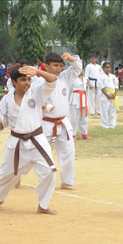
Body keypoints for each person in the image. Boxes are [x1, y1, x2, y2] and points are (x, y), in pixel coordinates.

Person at [0, 65, 58, 214]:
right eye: (22, 80)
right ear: (13, 82)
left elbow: (52, 81)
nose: (27, 83)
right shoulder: (6, 100)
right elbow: (2, 125)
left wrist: (37, 72)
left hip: (37, 141)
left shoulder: (36, 93)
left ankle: (43, 205)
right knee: (6, 175)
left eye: (29, 79)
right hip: (16, 143)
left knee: (49, 172)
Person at [39, 52, 82, 191]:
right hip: (45, 122)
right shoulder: (39, 81)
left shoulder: (65, 77)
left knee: (68, 152)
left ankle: (67, 181)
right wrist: (43, 107)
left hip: (63, 122)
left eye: (61, 66)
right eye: (55, 65)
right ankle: (18, 174)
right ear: (46, 66)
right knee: (36, 152)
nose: (59, 68)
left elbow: (77, 68)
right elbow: (30, 103)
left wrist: (71, 59)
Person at [68, 67, 92, 139]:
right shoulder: (72, 79)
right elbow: (68, 89)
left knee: (84, 117)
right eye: (77, 69)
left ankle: (84, 134)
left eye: (81, 69)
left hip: (83, 98)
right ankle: (72, 135)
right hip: (75, 98)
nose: (79, 70)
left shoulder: (84, 79)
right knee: (74, 118)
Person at [98, 62, 119, 129]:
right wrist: (107, 95)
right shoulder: (101, 77)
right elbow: (101, 87)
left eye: (109, 67)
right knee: (105, 111)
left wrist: (115, 94)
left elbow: (116, 86)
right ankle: (104, 125)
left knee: (112, 110)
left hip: (113, 94)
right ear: (103, 68)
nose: (108, 69)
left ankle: (112, 124)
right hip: (105, 94)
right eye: (106, 67)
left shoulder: (113, 76)